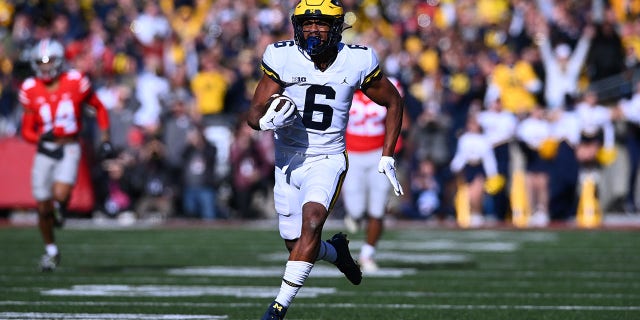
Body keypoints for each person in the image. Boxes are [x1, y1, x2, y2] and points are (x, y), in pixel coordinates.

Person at [246, 1, 404, 319]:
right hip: (288, 159)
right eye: (307, 24)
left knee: (313, 221)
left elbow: (393, 101)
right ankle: (336, 253)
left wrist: (387, 154)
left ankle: (277, 309)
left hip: (328, 156)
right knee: (297, 245)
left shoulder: (356, 59)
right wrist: (264, 122)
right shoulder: (282, 56)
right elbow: (253, 113)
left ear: (336, 28)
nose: (313, 30)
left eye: (320, 24)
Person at [19, 38, 111, 271]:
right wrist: (41, 138)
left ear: (60, 62)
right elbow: (27, 130)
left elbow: (99, 107)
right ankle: (51, 250)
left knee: (59, 196)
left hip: (69, 145)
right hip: (45, 150)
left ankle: (60, 210)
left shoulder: (75, 81)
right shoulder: (30, 88)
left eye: (49, 61)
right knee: (42, 207)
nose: (45, 67)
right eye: (40, 62)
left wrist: (105, 138)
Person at [341, 77, 404, 273]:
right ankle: (354, 216)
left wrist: (394, 147)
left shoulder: (389, 84)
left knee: (377, 208)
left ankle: (367, 254)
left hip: (379, 153)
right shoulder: (344, 83)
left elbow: (399, 113)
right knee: (356, 209)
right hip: (351, 153)